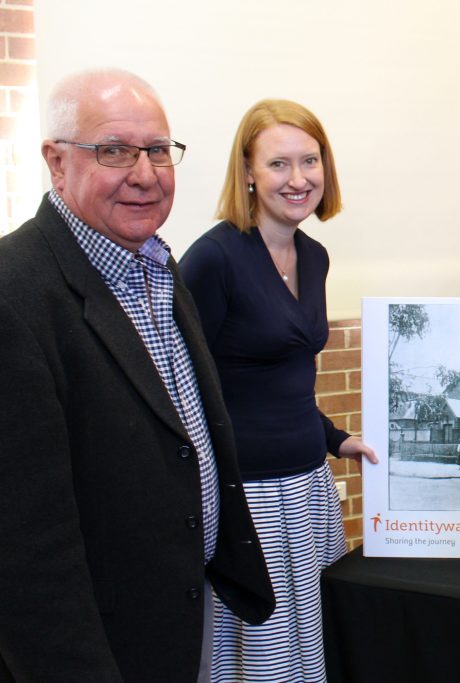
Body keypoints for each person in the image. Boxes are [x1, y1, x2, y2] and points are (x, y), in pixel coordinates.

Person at [0, 69, 274, 681]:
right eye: (115, 151)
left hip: (178, 616)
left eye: (157, 150)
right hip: (96, 645)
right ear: (56, 162)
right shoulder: (13, 296)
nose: (145, 174)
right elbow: (25, 552)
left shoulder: (155, 264)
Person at [178, 99, 378, 683]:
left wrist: (338, 440)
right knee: (258, 660)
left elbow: (284, 382)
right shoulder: (213, 259)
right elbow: (183, 386)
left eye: (310, 161)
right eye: (278, 164)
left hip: (308, 490)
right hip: (249, 498)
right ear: (247, 172)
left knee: (310, 649)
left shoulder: (314, 257)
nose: (298, 180)